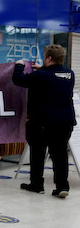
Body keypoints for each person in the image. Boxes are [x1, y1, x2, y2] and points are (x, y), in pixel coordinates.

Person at [12, 44, 75, 198]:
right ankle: (62, 187)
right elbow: (54, 78)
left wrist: (19, 66)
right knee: (60, 154)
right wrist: (42, 69)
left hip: (42, 122)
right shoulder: (70, 74)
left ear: (48, 58)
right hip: (65, 121)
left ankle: (36, 185)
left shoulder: (41, 76)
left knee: (38, 153)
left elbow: (18, 80)